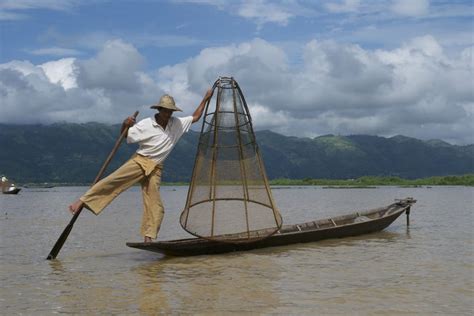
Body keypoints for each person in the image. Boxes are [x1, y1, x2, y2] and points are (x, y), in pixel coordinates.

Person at [69, 89, 213, 243]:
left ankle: (148, 238)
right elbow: (126, 135)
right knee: (113, 182)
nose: (168, 114)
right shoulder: (146, 124)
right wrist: (125, 124)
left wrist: (205, 98)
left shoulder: (176, 123)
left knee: (156, 206)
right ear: (159, 109)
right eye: (165, 110)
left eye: (171, 111)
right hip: (140, 161)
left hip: (156, 168)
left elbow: (196, 117)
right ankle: (81, 201)